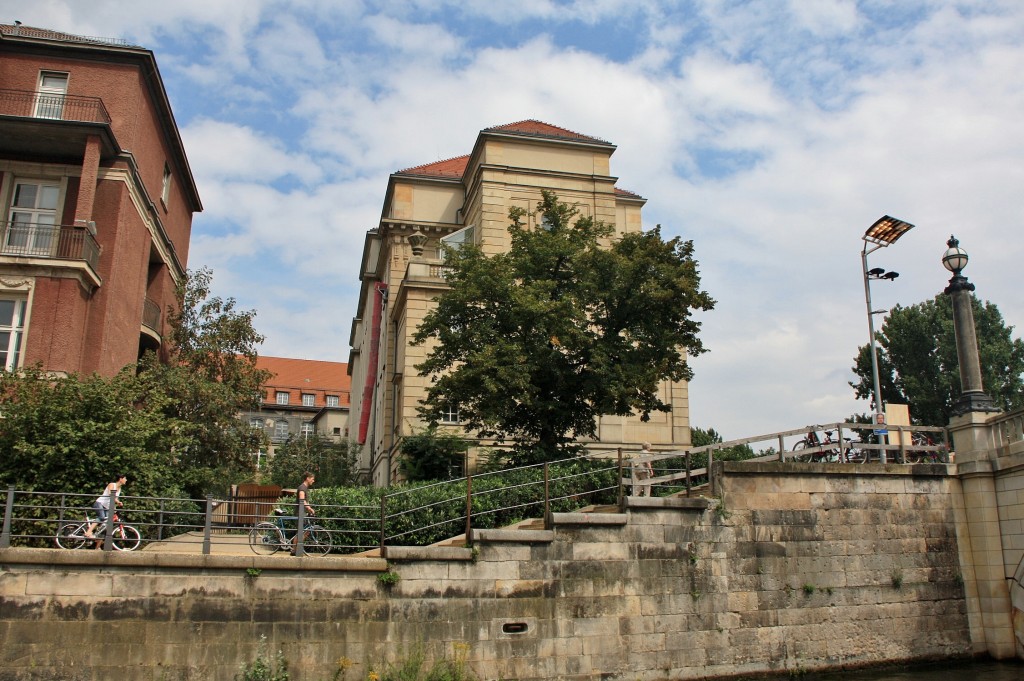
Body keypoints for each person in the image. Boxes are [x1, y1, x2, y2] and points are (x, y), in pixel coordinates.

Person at [87, 473, 127, 546]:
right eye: (125, 478)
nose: (126, 480)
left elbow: (114, 500)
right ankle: (88, 532)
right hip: (100, 503)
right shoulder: (112, 484)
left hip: (107, 507)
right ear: (120, 479)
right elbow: (110, 494)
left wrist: (114, 508)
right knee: (101, 517)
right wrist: (118, 502)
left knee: (105, 525)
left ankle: (97, 547)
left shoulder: (119, 489)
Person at [291, 472, 316, 555]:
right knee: (300, 532)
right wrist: (309, 508)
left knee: (304, 532)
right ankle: (294, 550)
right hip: (299, 513)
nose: (313, 481)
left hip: (303, 513)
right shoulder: (302, 488)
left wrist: (308, 509)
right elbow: (302, 499)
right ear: (307, 478)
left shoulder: (305, 488)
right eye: (312, 479)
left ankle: (295, 549)